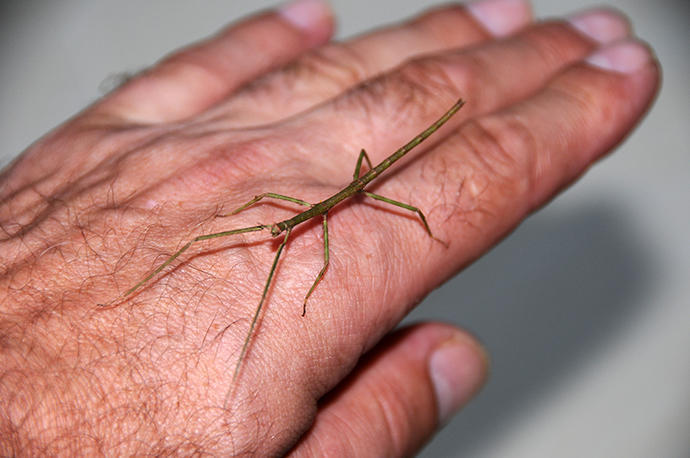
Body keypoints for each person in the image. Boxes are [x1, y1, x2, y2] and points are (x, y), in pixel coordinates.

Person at [0, 0, 659, 454]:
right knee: (235, 233)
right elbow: (258, 222)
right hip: (343, 187)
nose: (279, 236)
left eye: (280, 230)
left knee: (397, 210)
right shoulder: (290, 215)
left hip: (368, 179)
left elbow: (315, 264)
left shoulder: (313, 231)